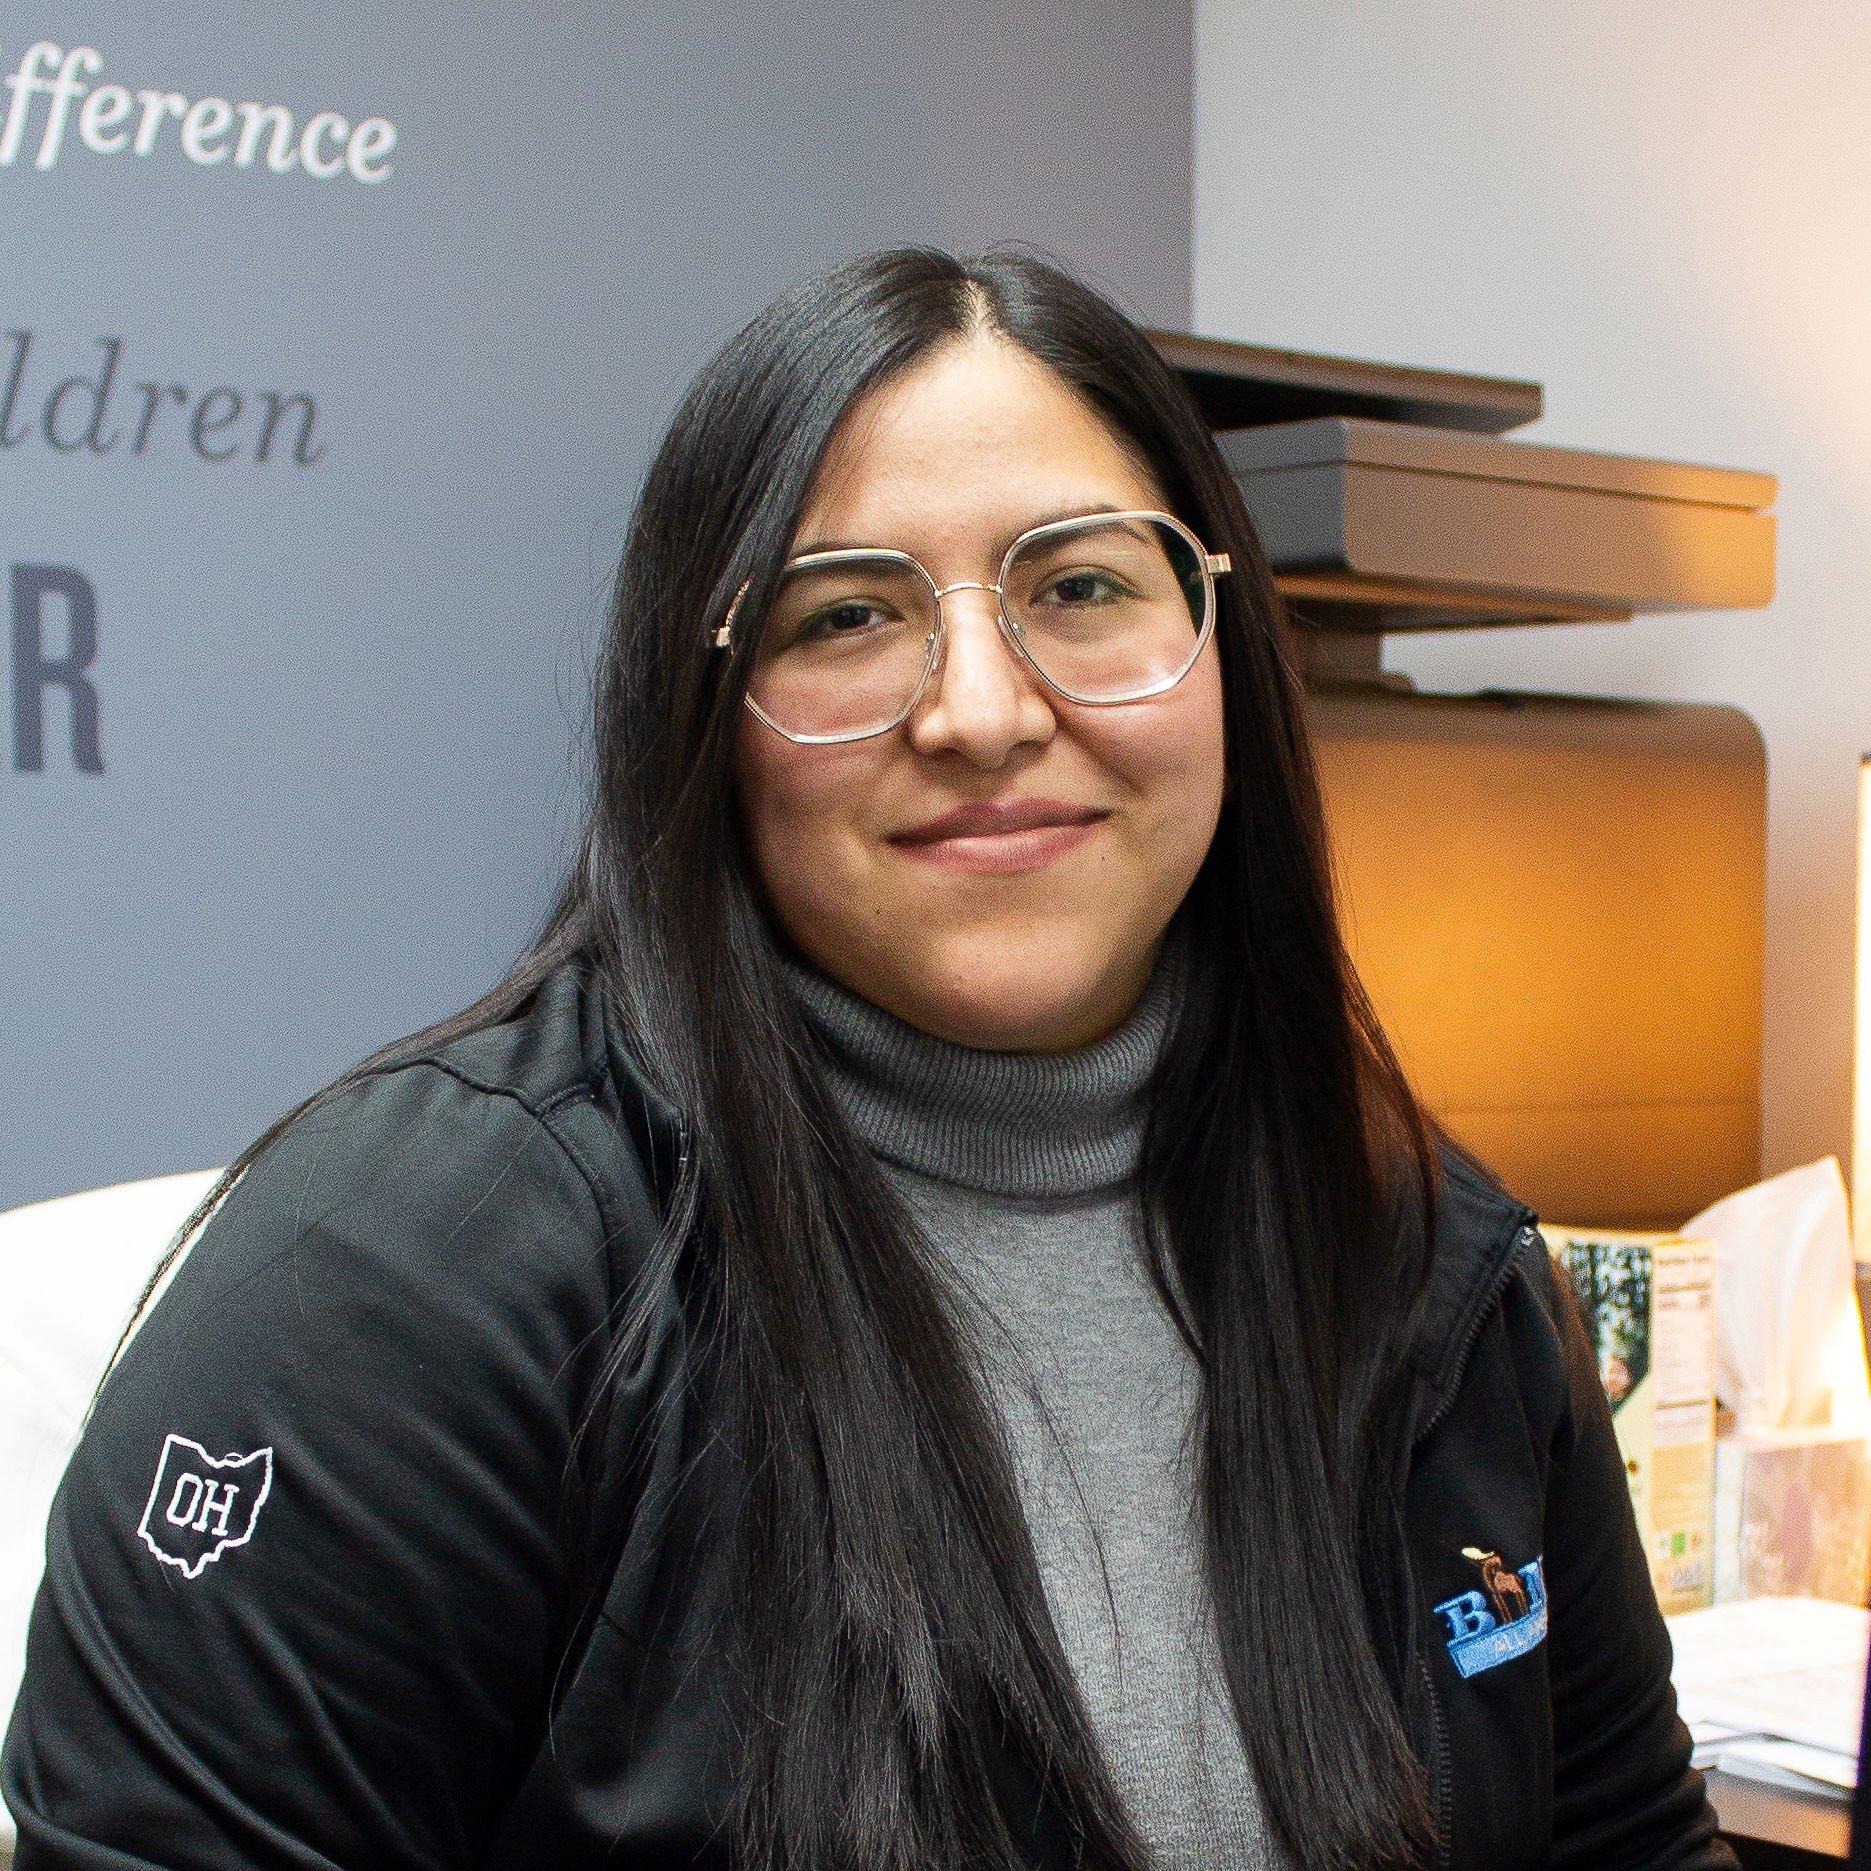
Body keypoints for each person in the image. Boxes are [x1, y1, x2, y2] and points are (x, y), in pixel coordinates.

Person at [0, 245, 1735, 1871]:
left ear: (1225, 651)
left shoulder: (1430, 1262)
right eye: (844, 617)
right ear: (705, 712)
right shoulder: (404, 1280)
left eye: (1081, 585)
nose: (982, 710)